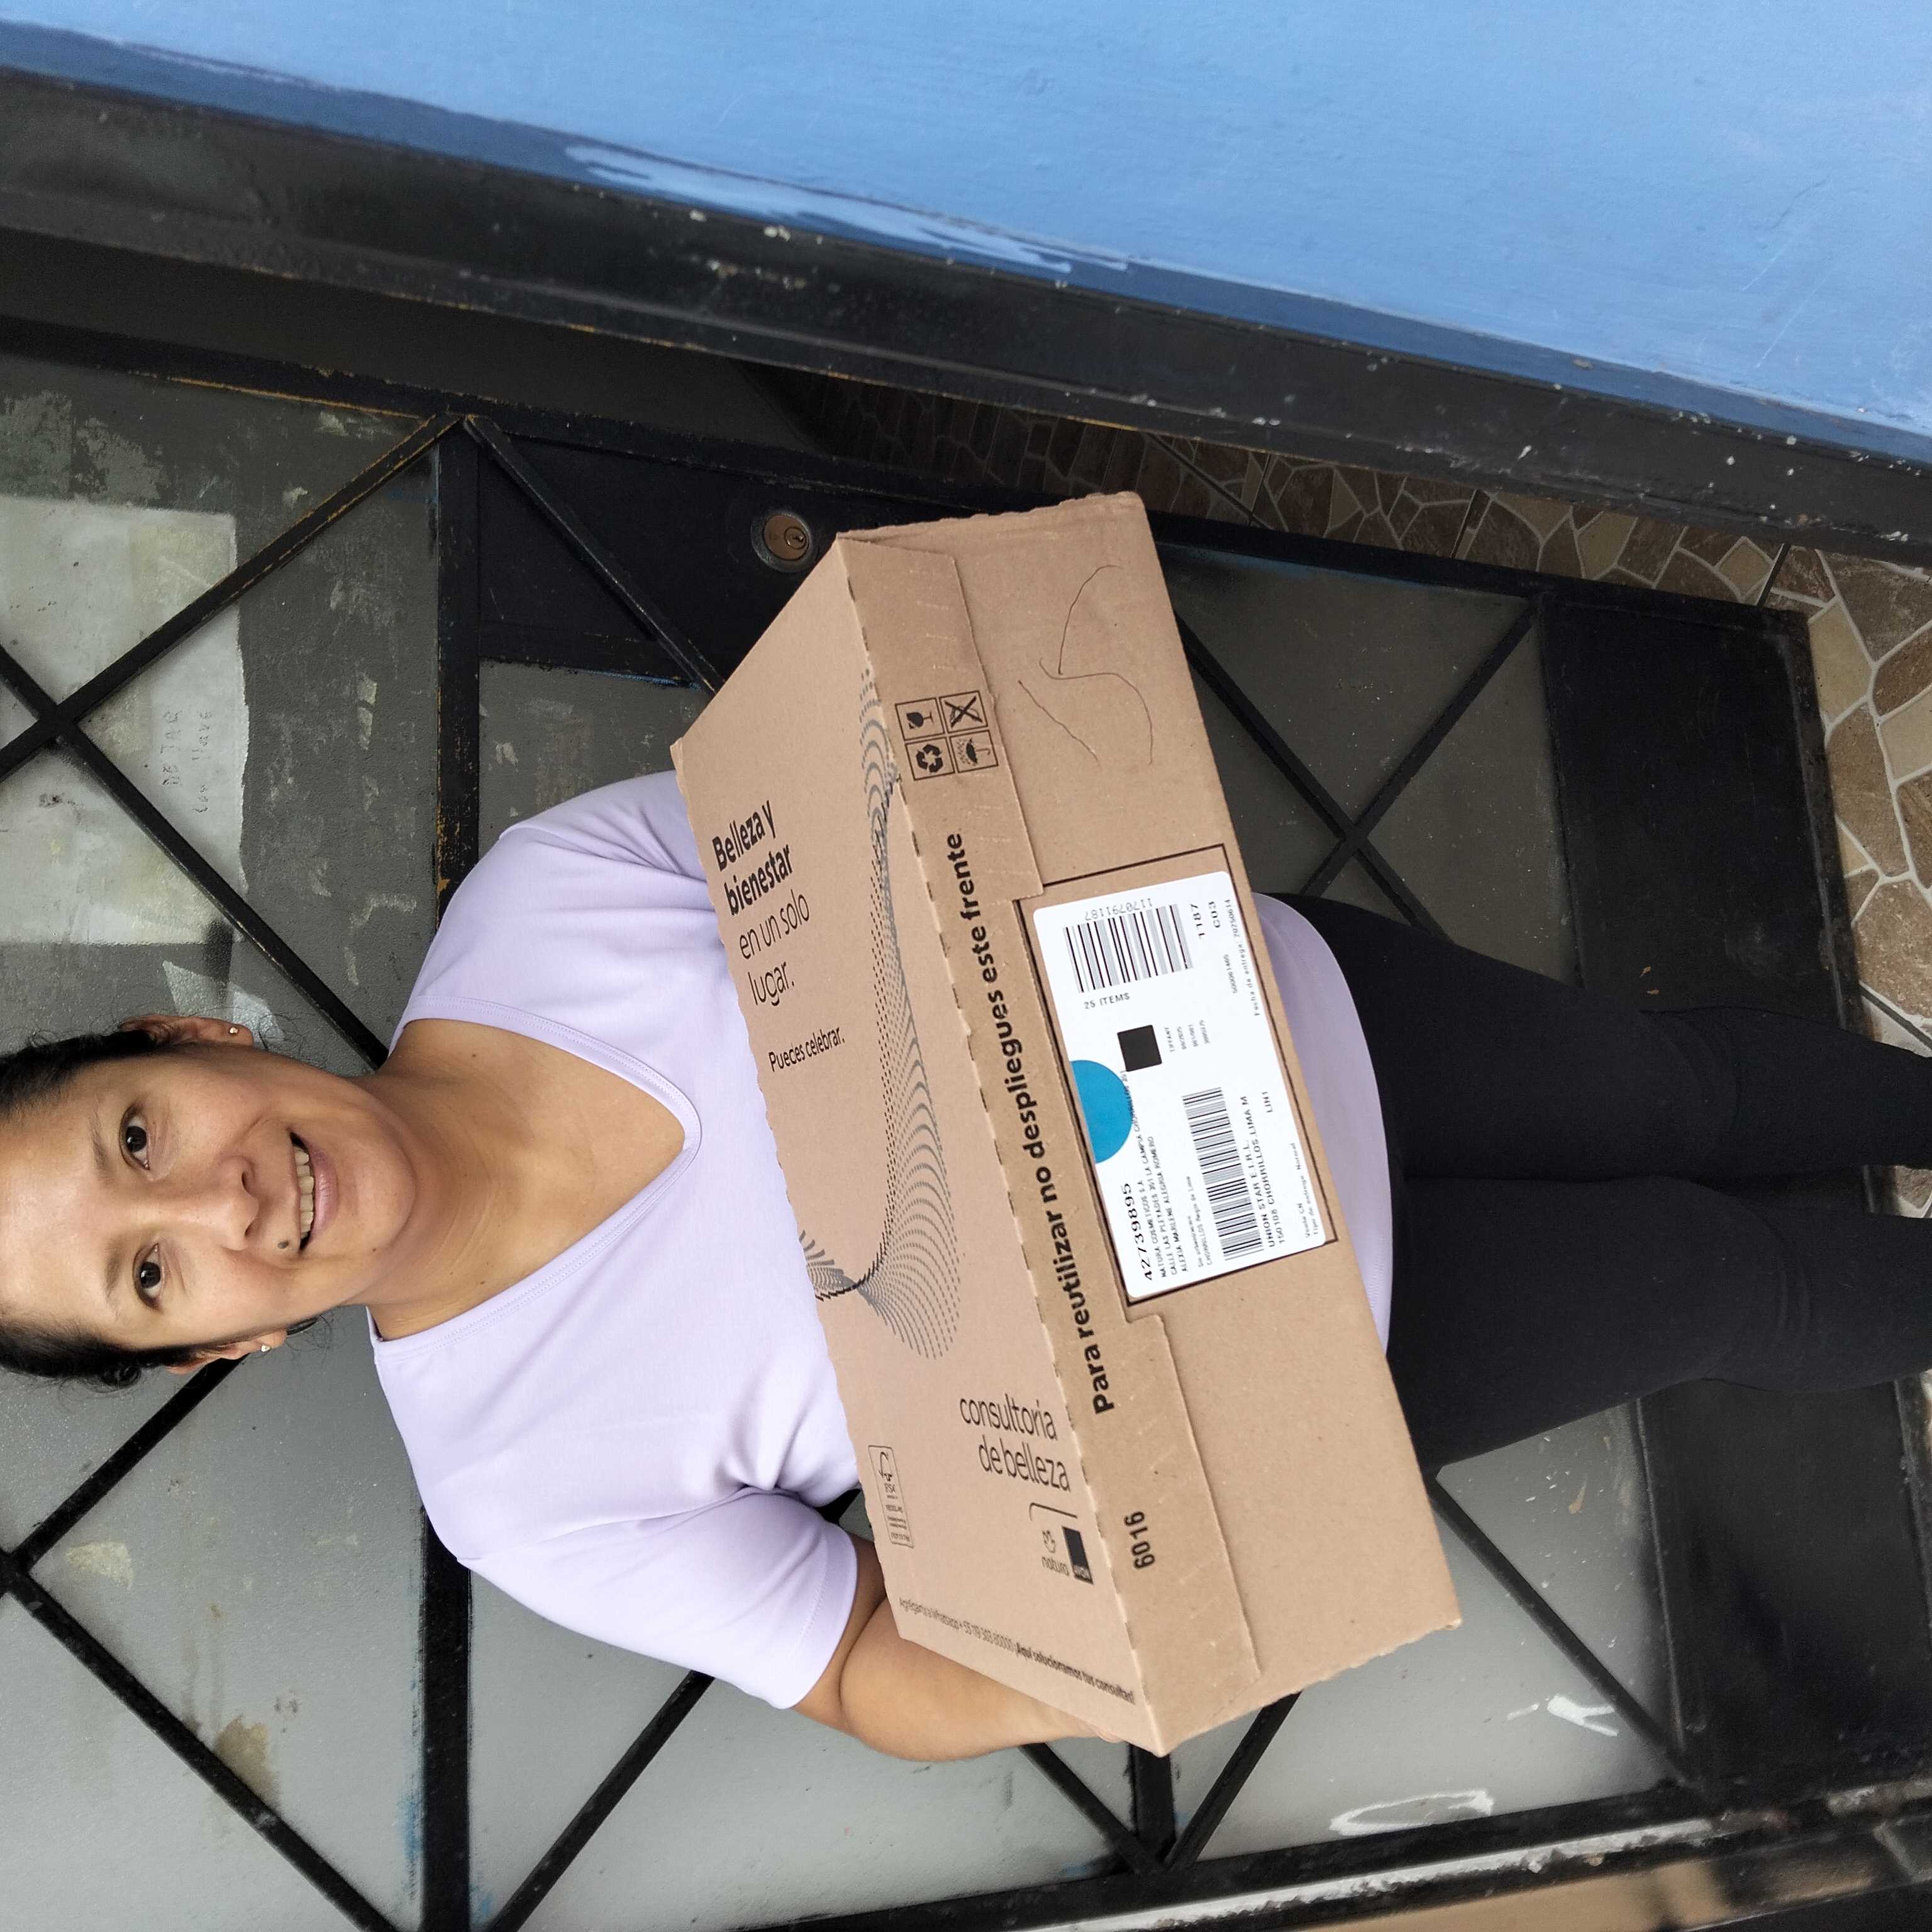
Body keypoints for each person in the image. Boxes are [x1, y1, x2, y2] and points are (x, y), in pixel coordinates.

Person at [5, 771, 1931, 1762]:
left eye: (137, 1144)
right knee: (1716, 1285)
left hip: (1284, 1014)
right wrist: (1156, 1639)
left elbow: (910, 799)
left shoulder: (549, 898)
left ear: (190, 1044)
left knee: (1673, 1082)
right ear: (209, 1355)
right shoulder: (514, 1483)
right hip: (1323, 1346)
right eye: (149, 1280)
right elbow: (863, 1667)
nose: (219, 1210)